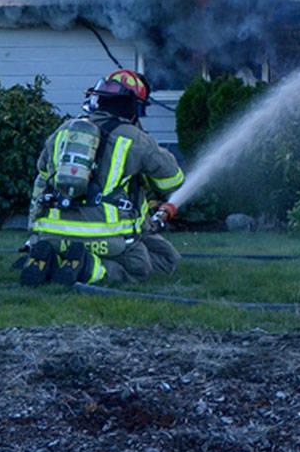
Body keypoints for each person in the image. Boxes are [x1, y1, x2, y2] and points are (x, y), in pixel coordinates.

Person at [15, 69, 185, 288]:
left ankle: (47, 261)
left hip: (51, 234)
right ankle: (88, 268)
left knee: (62, 248)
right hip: (104, 238)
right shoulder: (135, 139)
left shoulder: (64, 131)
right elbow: (172, 182)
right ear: (134, 107)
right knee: (144, 265)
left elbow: (42, 176)